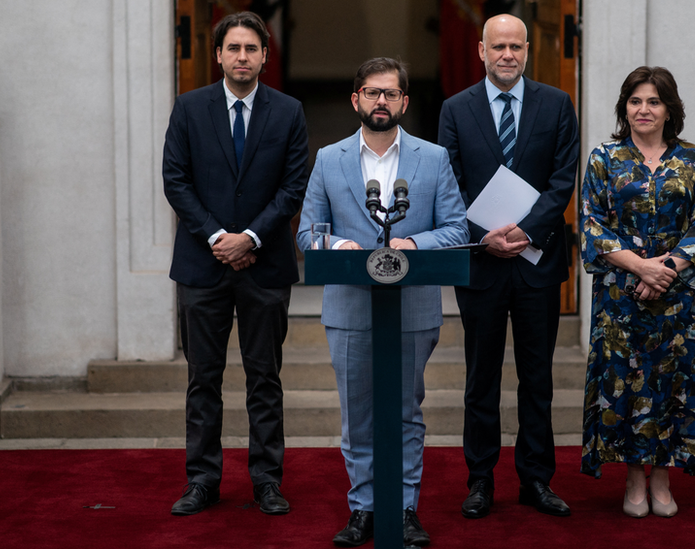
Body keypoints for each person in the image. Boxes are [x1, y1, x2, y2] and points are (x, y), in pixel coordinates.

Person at [297, 57, 469, 547]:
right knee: (358, 414)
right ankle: (364, 507)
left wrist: (415, 245)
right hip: (349, 306)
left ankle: (407, 507)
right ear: (356, 100)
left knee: (407, 411)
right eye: (372, 93)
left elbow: (457, 227)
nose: (381, 101)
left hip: (412, 306)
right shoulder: (329, 159)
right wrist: (337, 246)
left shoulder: (433, 159)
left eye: (390, 94)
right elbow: (308, 232)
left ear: (404, 102)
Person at [162, 11, 309, 517]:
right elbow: (175, 180)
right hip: (202, 268)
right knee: (204, 378)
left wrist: (248, 238)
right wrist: (217, 238)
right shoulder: (189, 107)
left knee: (264, 378)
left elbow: (293, 187)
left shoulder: (288, 112)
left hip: (265, 268)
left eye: (252, 49)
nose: (242, 57)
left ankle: (267, 481)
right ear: (219, 54)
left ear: (265, 56)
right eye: (234, 48)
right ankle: (202, 480)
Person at [438, 14, 579, 518]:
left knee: (537, 377)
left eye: (515, 46)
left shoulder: (557, 104)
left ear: (526, 51)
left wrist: (526, 231)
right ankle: (480, 481)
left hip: (537, 262)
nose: (507, 55)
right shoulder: (455, 109)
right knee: (481, 379)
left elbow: (564, 178)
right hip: (482, 264)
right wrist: (484, 237)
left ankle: (536, 480)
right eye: (498, 46)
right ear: (481, 50)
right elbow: (448, 183)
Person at [579, 66, 695, 518]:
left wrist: (666, 270)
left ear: (669, 109)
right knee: (626, 384)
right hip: (621, 295)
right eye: (635, 101)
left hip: (677, 298)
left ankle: (663, 476)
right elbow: (591, 225)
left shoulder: (692, 159)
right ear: (625, 108)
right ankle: (634, 477)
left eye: (653, 101)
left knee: (672, 385)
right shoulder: (604, 157)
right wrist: (640, 267)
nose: (643, 109)